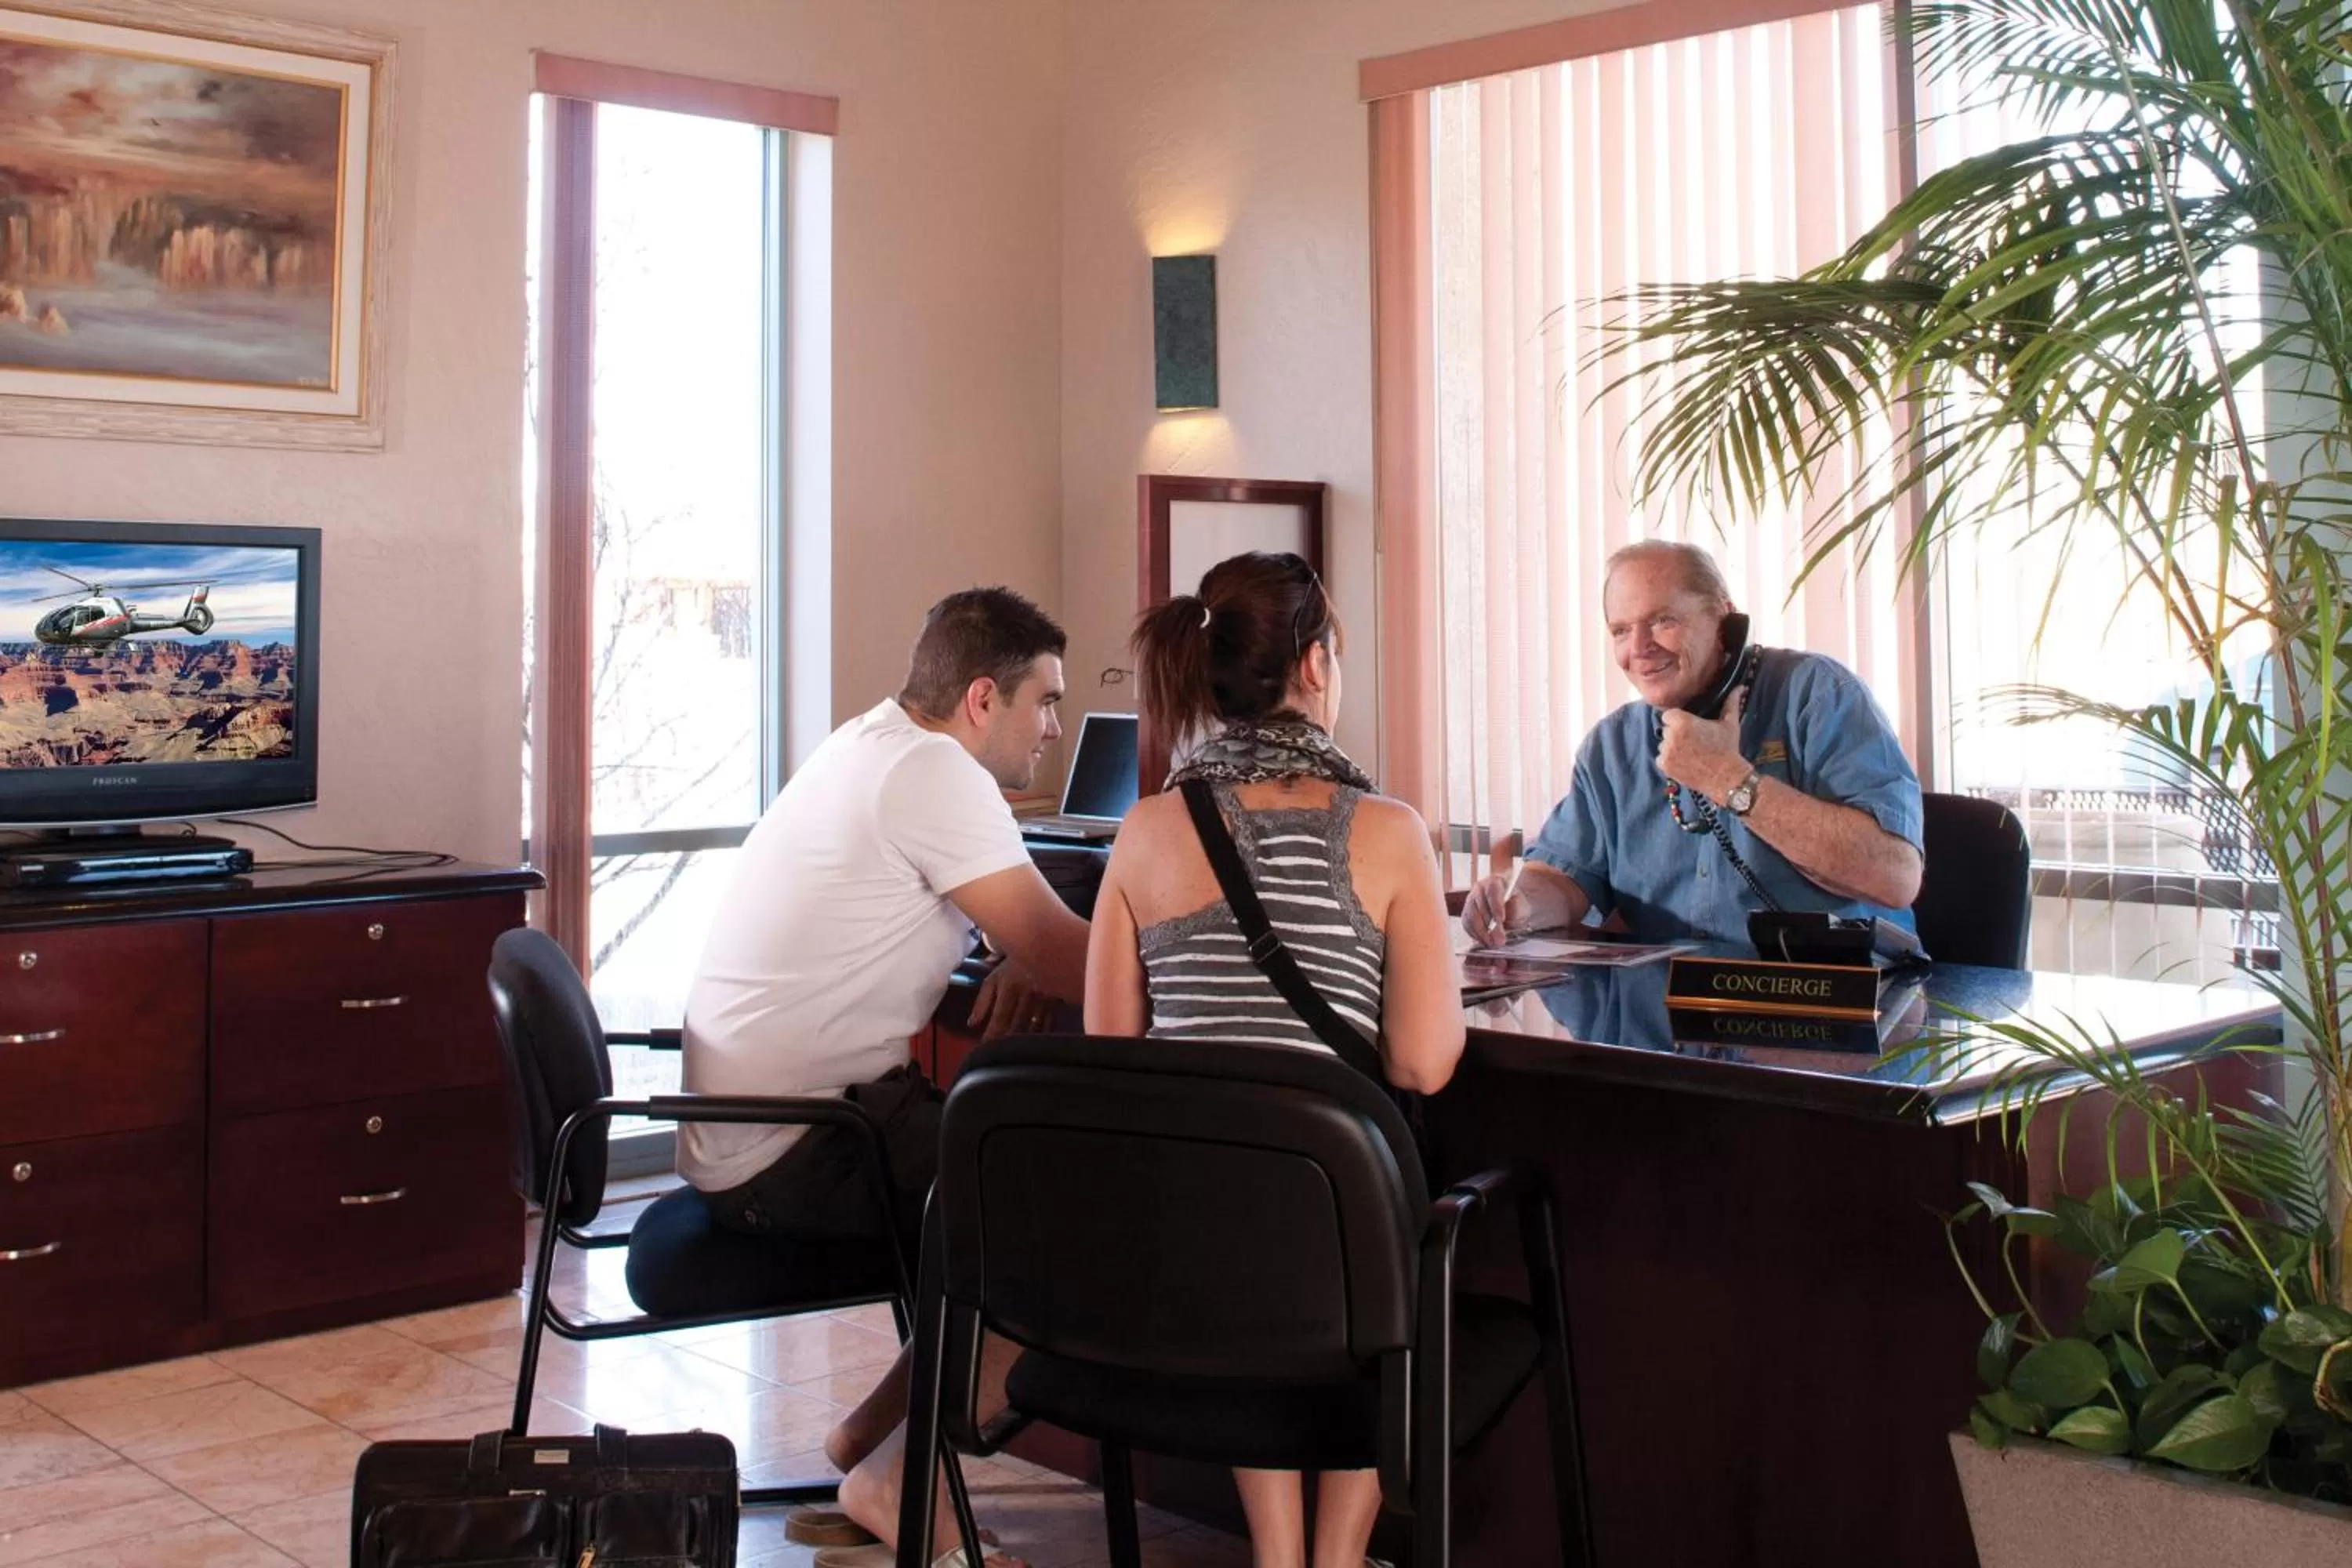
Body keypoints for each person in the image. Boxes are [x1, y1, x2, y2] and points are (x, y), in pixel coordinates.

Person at [681, 586, 1089, 1566]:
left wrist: (1019, 955)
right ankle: (896, 1481)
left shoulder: (871, 742)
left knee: (1008, 1182)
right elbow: (1078, 964)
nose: (1056, 727)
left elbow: (1020, 941)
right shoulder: (936, 774)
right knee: (1074, 1219)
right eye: (1046, 701)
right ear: (983, 699)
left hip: (766, 1126)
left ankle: (863, 1445)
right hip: (805, 1145)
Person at [1086, 550, 1463, 1568]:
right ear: (1311, 666)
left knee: (1249, 1189)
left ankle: (1279, 1553)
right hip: (1344, 1262)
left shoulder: (1145, 830)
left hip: (1196, 1254)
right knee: (1373, 1216)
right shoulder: (1386, 833)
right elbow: (1425, 1064)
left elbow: (1110, 1054)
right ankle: (1335, 1562)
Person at [1463, 539, 1923, 948]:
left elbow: (1896, 876)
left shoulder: (1817, 695)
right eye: (1621, 630)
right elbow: (1566, 879)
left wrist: (1728, 779)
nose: (1639, 647)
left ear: (1724, 621)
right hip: (1671, 1016)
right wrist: (1517, 904)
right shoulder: (1612, 746)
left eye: (1662, 620)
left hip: (1840, 1003)